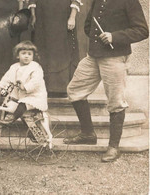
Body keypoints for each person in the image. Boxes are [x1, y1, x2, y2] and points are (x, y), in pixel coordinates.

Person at [64, 0, 149, 162]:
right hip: (94, 56)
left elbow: (142, 30)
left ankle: (113, 147)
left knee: (116, 102)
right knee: (74, 90)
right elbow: (89, 25)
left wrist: (114, 37)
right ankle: (88, 134)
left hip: (115, 57)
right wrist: (99, 39)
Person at [31, 0, 82, 96]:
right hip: (42, 14)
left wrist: (72, 17)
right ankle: (44, 87)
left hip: (62, 14)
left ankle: (61, 87)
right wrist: (33, 15)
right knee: (44, 47)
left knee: (61, 48)